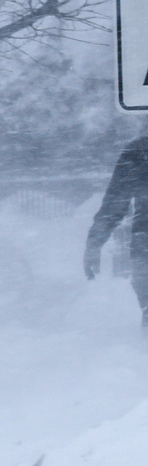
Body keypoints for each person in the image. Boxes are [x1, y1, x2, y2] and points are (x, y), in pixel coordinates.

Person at [85, 132, 148, 326]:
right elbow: (115, 203)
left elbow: (115, 204)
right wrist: (94, 243)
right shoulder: (139, 151)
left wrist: (94, 243)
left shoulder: (140, 150)